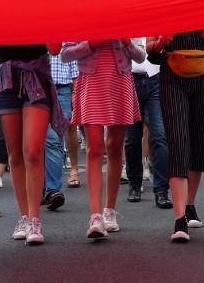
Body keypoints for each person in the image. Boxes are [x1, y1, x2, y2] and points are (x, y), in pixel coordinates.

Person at [0, 44, 68, 245]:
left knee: (32, 151)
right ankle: (24, 218)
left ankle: (34, 219)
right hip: (7, 78)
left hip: (36, 76)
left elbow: (55, 48)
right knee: (16, 155)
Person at [61, 38, 145, 238]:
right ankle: (96, 216)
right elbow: (65, 55)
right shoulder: (82, 14)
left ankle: (109, 210)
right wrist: (91, 43)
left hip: (120, 79)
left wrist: (126, 41)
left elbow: (141, 56)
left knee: (115, 147)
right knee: (95, 148)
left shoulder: (128, 14)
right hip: (91, 80)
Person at [147, 29, 204, 242]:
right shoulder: (161, 6)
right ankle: (179, 217)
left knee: (199, 141)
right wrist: (161, 41)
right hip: (172, 77)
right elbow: (151, 54)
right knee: (178, 142)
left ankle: (190, 205)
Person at [124, 45, 172, 209]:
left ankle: (161, 190)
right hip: (129, 78)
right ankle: (135, 184)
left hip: (156, 78)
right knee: (132, 138)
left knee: (160, 135)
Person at [41, 54, 78, 211]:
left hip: (62, 90)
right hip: (38, 89)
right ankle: (42, 188)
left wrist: (75, 93)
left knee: (54, 139)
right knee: (38, 141)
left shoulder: (66, 39)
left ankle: (52, 190)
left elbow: (75, 70)